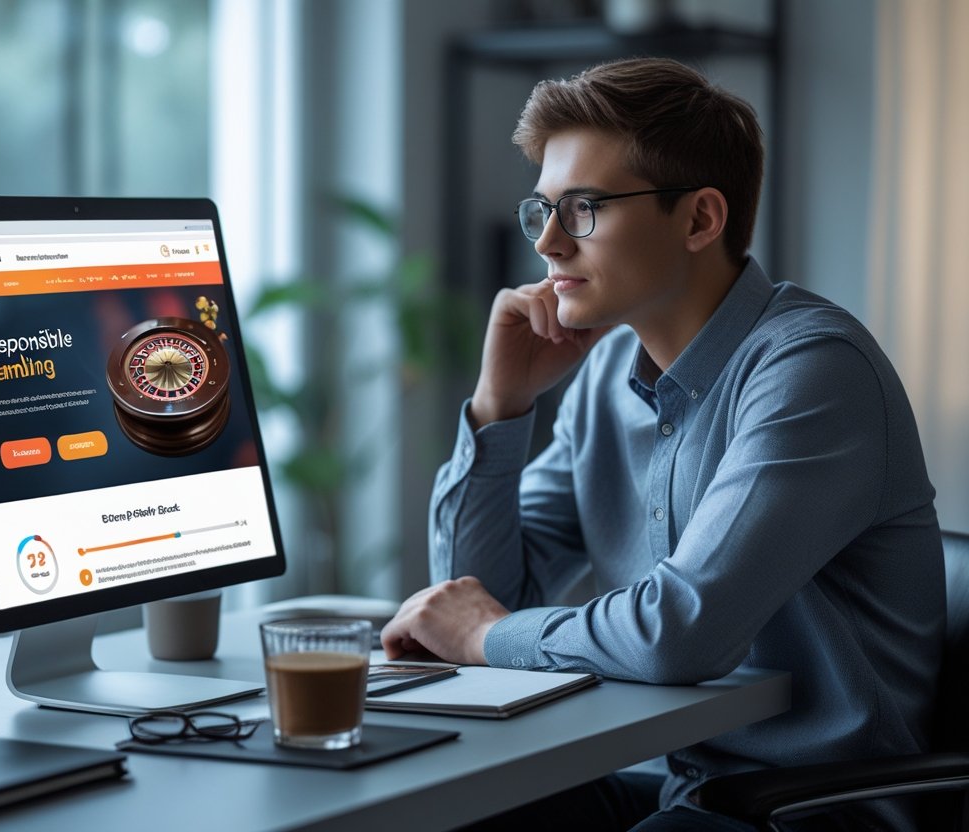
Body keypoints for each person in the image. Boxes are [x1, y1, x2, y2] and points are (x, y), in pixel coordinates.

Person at [380, 57, 943, 831]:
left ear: (700, 220)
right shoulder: (610, 366)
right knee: (437, 814)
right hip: (676, 781)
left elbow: (678, 633)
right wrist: (500, 405)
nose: (546, 244)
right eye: (540, 209)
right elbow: (474, 598)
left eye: (582, 209)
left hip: (808, 809)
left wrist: (482, 634)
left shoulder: (813, 371)